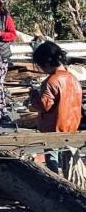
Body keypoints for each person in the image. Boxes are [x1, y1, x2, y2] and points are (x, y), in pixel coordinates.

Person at [30, 41, 82, 173]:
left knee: (52, 162)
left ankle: (55, 185)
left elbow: (44, 106)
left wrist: (34, 96)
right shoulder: (73, 78)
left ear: (46, 63)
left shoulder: (51, 81)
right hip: (71, 127)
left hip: (53, 128)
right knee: (67, 162)